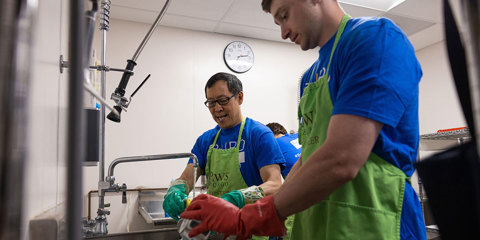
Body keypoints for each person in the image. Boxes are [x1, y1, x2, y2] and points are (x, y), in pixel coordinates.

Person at [180, 0, 426, 239]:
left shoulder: (372, 40)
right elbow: (307, 158)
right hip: (317, 224)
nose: (284, 32)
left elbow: (342, 158)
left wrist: (253, 215)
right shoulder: (310, 77)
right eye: (277, 22)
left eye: (285, 15)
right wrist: (249, 213)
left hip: (373, 221)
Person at [163, 72, 285, 239]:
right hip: (217, 230)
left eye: (223, 100)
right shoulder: (205, 140)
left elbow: (275, 184)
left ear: (240, 97)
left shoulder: (258, 135)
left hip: (251, 231)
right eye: (211, 103)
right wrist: (175, 190)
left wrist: (238, 198)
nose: (217, 109)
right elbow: (186, 178)